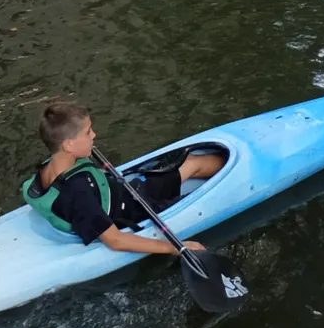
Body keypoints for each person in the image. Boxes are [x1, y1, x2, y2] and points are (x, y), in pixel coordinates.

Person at [22, 98, 226, 254]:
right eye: (87, 132)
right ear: (69, 145)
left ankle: (226, 165)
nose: (94, 135)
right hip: (137, 210)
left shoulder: (49, 166)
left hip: (126, 191)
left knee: (192, 163)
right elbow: (115, 240)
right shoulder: (78, 193)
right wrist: (175, 248)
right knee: (206, 190)